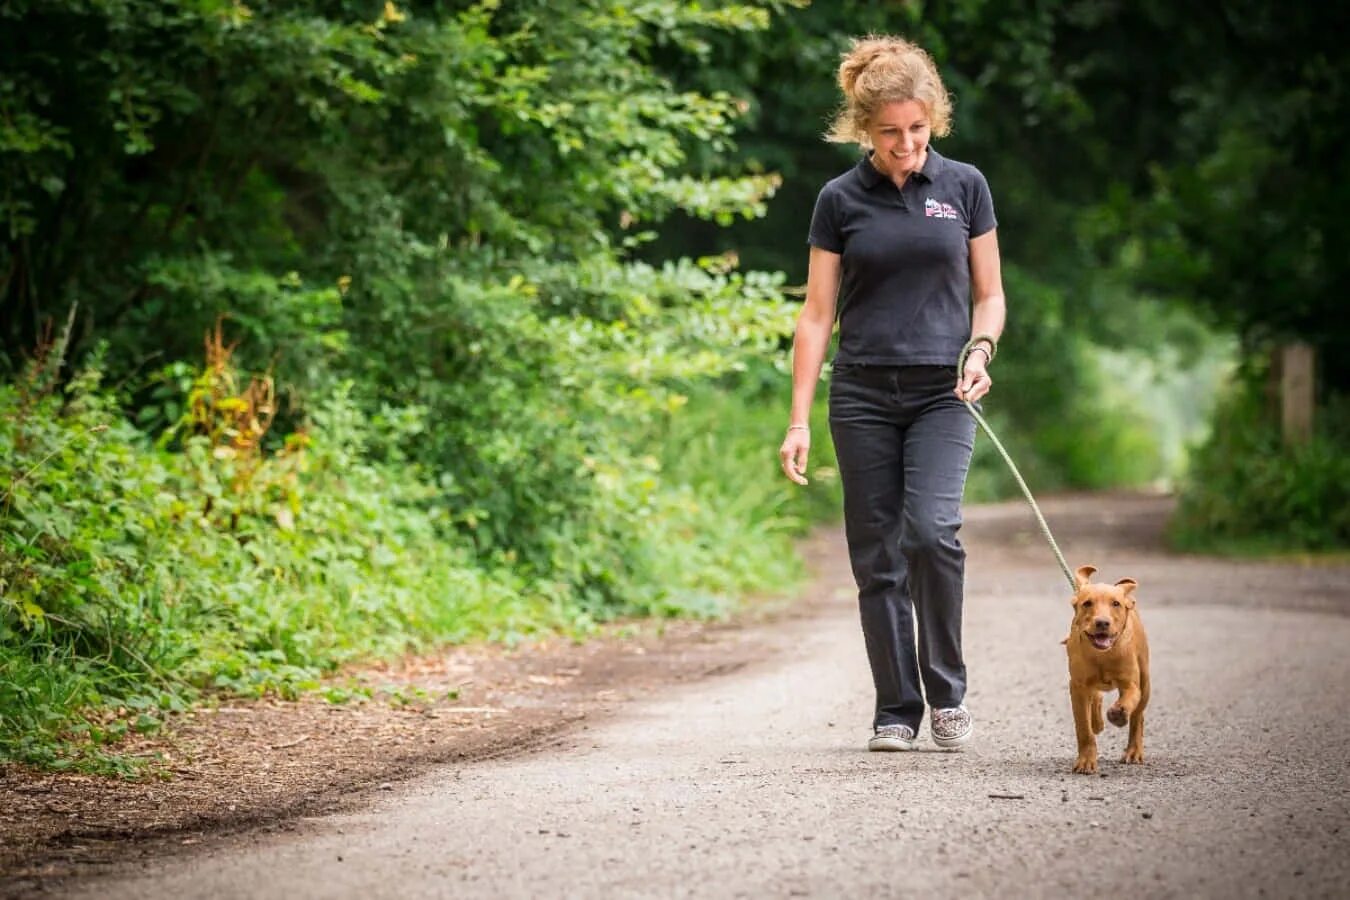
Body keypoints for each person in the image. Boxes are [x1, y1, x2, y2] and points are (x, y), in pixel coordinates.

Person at [778, 34, 1006, 753]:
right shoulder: (838, 199)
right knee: (876, 555)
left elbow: (991, 296)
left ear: (933, 118)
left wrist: (981, 349)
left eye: (917, 128)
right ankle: (896, 710)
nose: (906, 144)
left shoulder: (965, 186)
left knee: (932, 535)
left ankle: (947, 693)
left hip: (945, 391)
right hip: (863, 394)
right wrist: (798, 420)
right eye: (889, 133)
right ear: (861, 129)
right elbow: (817, 316)